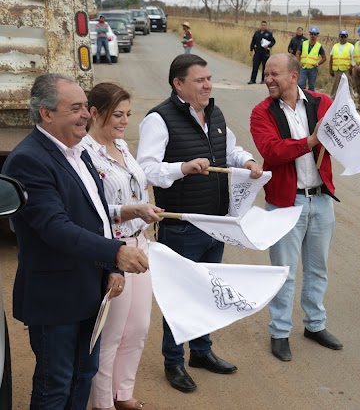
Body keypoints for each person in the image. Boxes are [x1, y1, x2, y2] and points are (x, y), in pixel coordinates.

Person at [1, 73, 148, 409]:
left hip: (89, 289)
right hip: (56, 297)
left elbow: (97, 216)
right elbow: (56, 228)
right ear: (47, 114)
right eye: (77, 108)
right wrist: (116, 252)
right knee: (56, 384)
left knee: (84, 375)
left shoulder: (77, 151)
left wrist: (112, 267)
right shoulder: (29, 160)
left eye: (86, 107)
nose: (87, 114)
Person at [137, 53, 263, 393]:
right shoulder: (159, 120)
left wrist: (248, 160)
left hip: (215, 224)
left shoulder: (215, 113)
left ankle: (202, 352)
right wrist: (181, 167)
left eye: (209, 78)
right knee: (180, 296)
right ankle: (174, 362)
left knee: (207, 293)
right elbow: (145, 168)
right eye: (200, 80)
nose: (208, 85)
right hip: (181, 225)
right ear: (179, 84)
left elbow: (230, 149)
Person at [250, 53, 342, 362]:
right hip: (285, 203)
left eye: (274, 74)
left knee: (318, 269)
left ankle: (315, 325)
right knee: (284, 272)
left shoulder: (321, 103)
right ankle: (279, 332)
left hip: (321, 199)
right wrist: (311, 141)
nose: (269, 79)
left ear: (294, 76)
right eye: (266, 74)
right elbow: (272, 152)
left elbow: (340, 138)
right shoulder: (261, 112)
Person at [82, 83, 163, 410]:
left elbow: (137, 190)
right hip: (112, 251)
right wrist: (132, 211)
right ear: (95, 113)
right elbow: (90, 208)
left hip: (140, 245)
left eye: (128, 114)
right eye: (117, 114)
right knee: (111, 333)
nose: (124, 121)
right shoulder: (85, 152)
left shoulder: (122, 146)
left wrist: (145, 212)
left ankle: (123, 393)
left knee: (139, 326)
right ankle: (102, 403)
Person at [296, 26, 326, 91]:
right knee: (300, 84)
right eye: (311, 34)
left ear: (317, 35)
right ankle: (301, 98)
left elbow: (324, 58)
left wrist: (317, 64)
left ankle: (310, 100)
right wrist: (299, 62)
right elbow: (298, 52)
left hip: (313, 69)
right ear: (309, 34)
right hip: (303, 68)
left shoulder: (319, 46)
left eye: (314, 34)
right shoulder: (304, 43)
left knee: (311, 86)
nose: (313, 36)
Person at [328, 29, 354, 98]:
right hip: (337, 70)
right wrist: (330, 69)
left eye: (344, 36)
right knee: (335, 87)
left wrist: (351, 69)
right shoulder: (335, 46)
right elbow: (331, 58)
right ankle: (332, 100)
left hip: (346, 70)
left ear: (347, 37)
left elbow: (353, 58)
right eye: (341, 36)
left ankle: (350, 99)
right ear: (339, 37)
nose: (343, 38)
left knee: (348, 86)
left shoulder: (350, 46)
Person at [248, 20, 276, 84]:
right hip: (257, 52)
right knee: (255, 66)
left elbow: (273, 41)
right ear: (260, 25)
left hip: (265, 52)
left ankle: (263, 80)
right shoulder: (257, 33)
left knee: (265, 67)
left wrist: (268, 45)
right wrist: (251, 50)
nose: (263, 26)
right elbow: (253, 41)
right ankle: (252, 80)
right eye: (262, 25)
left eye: (264, 25)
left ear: (266, 26)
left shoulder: (269, 34)